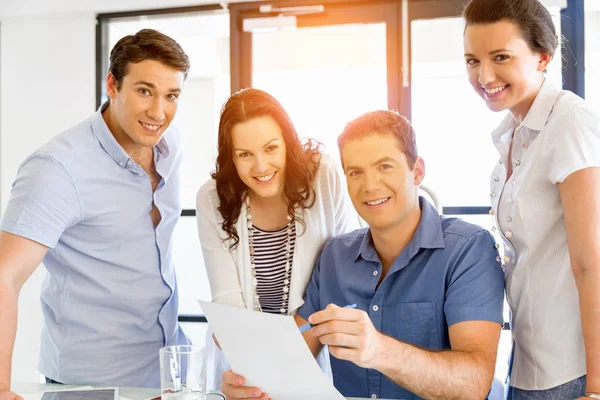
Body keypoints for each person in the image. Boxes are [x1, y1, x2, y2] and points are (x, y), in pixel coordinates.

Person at [220, 110, 505, 400]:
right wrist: (250, 383)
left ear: (417, 171)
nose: (370, 186)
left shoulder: (468, 248)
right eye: (355, 172)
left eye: (384, 166)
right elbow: (292, 357)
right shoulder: (334, 256)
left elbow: (474, 384)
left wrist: (380, 350)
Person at [0, 29, 191, 397]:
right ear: (112, 85)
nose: (158, 111)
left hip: (163, 375)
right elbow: (5, 276)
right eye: (144, 91)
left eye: (171, 96)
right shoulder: (58, 168)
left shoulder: (170, 144)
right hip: (89, 384)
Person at [463, 0, 600, 398]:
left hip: (571, 370)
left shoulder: (570, 121)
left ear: (543, 57)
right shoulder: (510, 133)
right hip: (526, 362)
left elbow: (591, 262)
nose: (483, 75)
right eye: (472, 60)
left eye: (500, 57)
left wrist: (596, 387)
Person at [195, 88, 359, 390]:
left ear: (288, 142)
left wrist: (289, 366)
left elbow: (345, 277)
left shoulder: (325, 176)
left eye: (271, 148)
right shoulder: (211, 197)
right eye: (245, 154)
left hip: (312, 349)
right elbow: (229, 303)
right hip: (243, 361)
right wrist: (257, 371)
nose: (260, 167)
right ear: (230, 156)